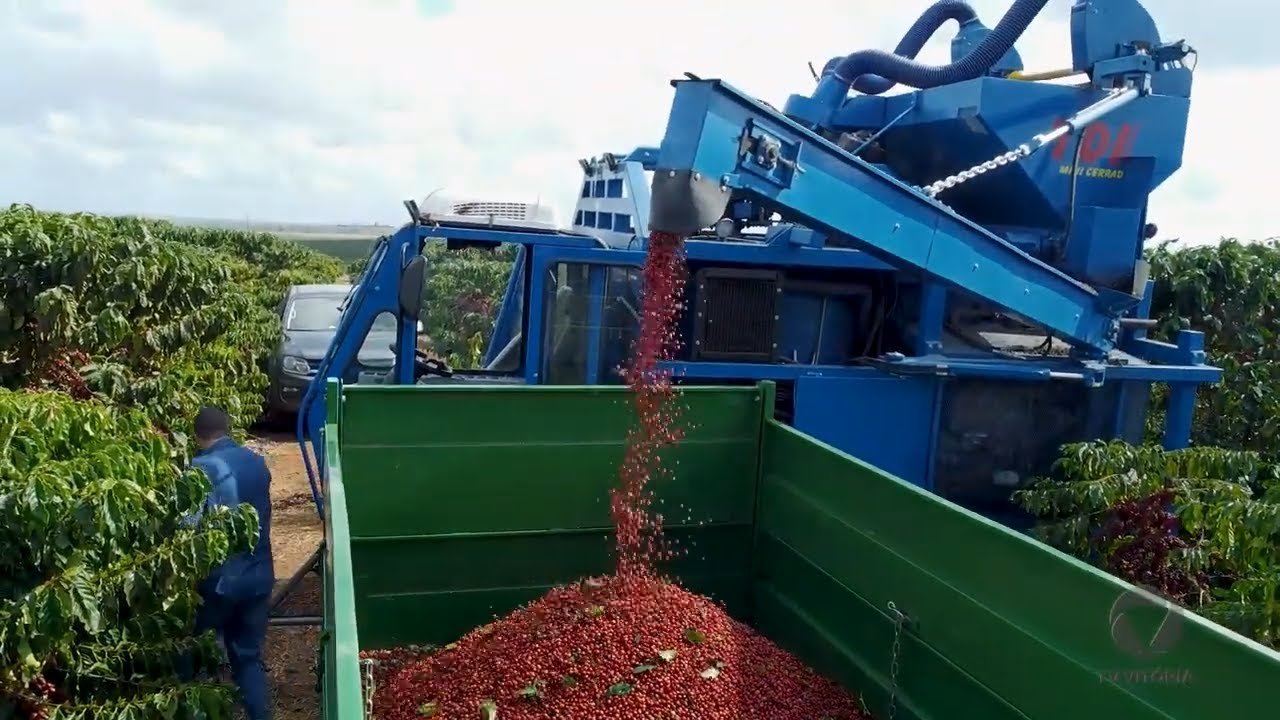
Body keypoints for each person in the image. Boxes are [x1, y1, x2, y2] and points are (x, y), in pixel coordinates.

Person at [187, 405, 275, 720]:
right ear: (228, 429)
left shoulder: (199, 469)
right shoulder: (257, 463)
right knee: (248, 658)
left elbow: (188, 529)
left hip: (220, 582)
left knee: (194, 653)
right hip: (260, 576)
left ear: (197, 436)